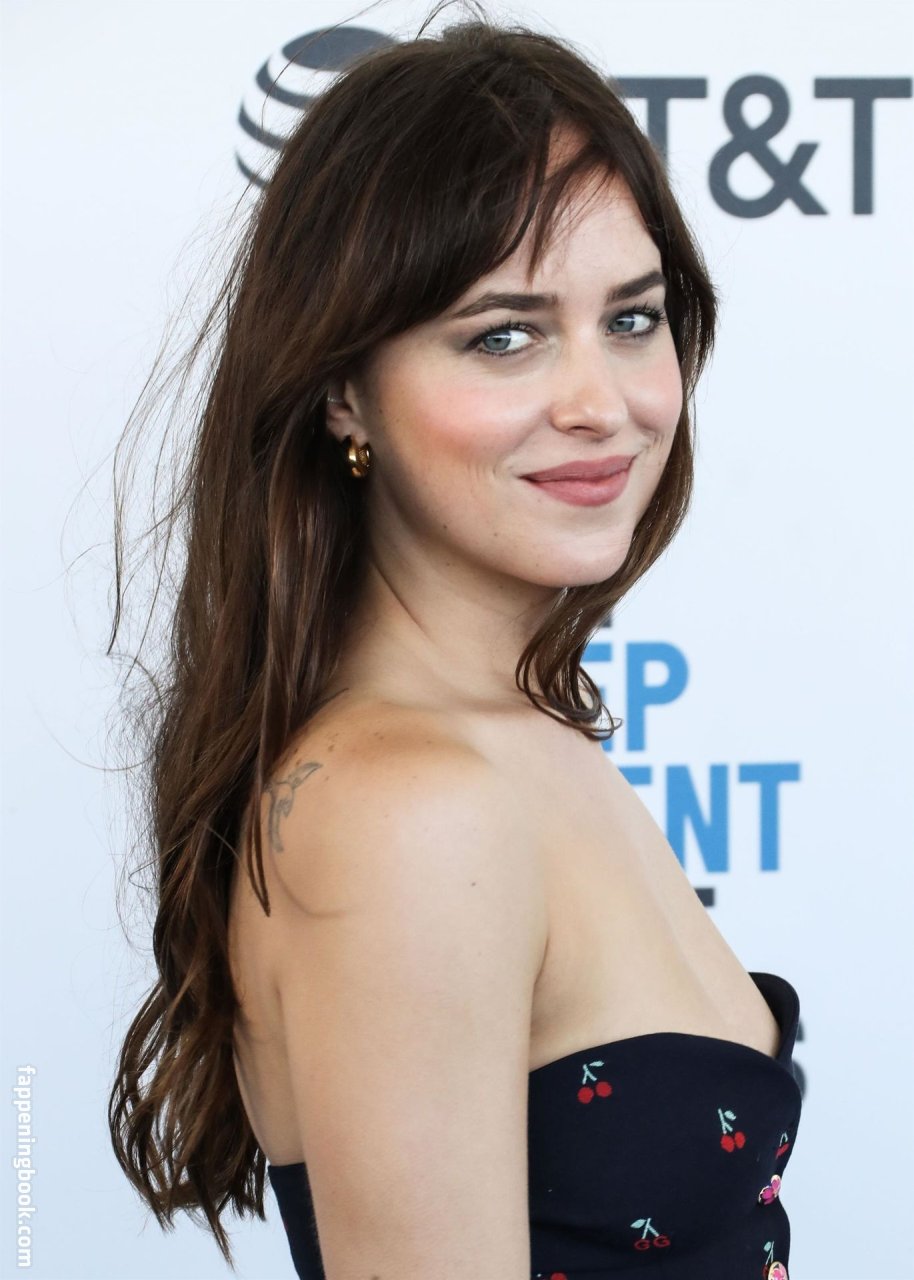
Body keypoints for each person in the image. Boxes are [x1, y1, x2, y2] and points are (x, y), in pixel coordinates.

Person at [107, 7, 802, 1279]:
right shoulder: (406, 809)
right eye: (502, 335)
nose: (599, 403)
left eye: (631, 318)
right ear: (342, 390)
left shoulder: (519, 729)